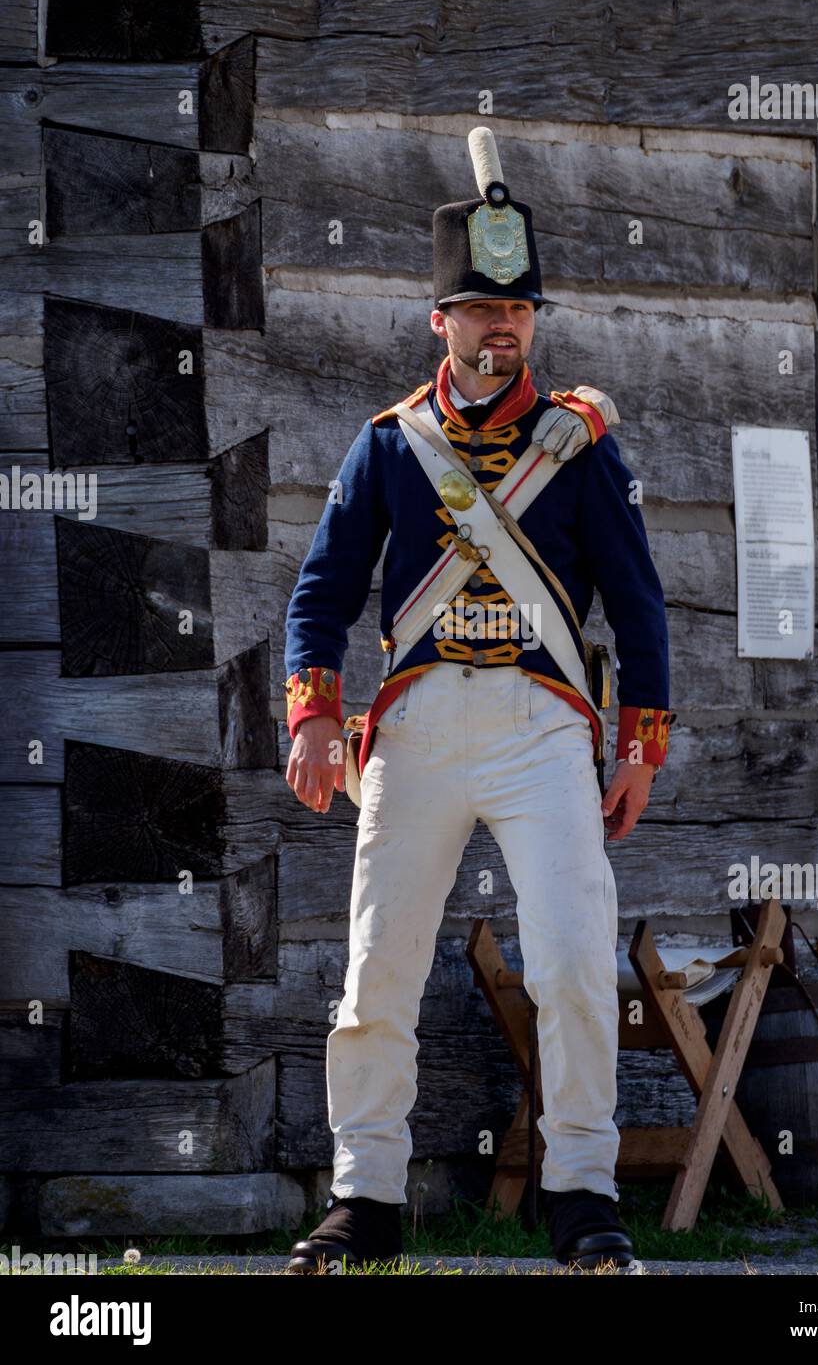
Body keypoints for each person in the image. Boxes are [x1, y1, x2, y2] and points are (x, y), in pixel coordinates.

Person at [281, 127, 671, 1272]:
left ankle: (584, 1199)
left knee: (570, 960)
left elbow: (640, 609)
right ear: (439, 320)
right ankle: (366, 1203)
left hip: (543, 728)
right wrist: (311, 711)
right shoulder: (389, 445)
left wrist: (637, 746)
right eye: (482, 309)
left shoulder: (583, 445)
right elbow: (324, 584)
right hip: (412, 730)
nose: (504, 327)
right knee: (378, 967)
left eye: (520, 310)